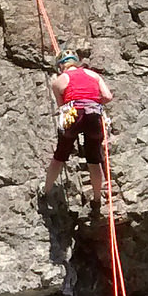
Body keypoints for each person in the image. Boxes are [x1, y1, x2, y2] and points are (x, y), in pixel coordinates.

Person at [42, 50, 114, 207]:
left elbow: (62, 106)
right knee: (94, 158)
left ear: (61, 66)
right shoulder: (93, 75)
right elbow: (107, 97)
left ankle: (45, 191)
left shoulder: (59, 81)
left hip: (73, 114)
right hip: (94, 115)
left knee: (60, 156)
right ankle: (96, 199)